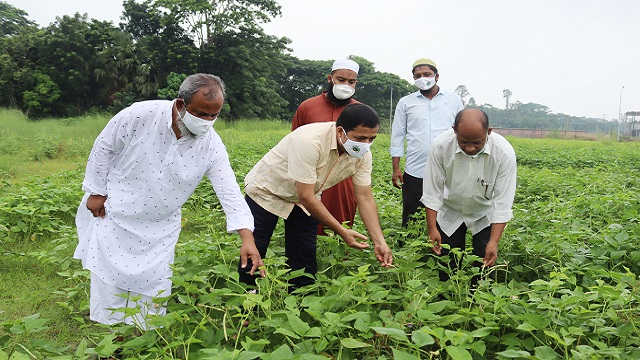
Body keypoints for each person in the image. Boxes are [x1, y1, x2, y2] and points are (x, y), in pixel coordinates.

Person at [74, 73, 265, 328]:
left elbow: (229, 191)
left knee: (154, 285)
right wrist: (96, 191)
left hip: (160, 225)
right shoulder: (140, 115)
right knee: (110, 282)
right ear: (180, 104)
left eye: (214, 115)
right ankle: (111, 341)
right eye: (201, 114)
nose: (208, 122)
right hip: (114, 213)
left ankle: (144, 341)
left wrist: (247, 237)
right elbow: (104, 147)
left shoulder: (211, 145)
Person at [239, 103, 393, 289]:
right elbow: (306, 196)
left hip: (305, 197)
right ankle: (246, 300)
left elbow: (365, 198)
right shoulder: (309, 141)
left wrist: (380, 242)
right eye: (360, 138)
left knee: (304, 253)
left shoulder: (362, 155)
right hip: (268, 190)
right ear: (340, 132)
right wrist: (342, 231)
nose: (365, 145)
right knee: (255, 247)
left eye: (371, 139)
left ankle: (301, 299)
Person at [421, 108, 517, 283]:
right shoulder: (441, 146)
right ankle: (447, 302)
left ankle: (478, 302)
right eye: (463, 142)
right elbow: (432, 190)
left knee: (484, 265)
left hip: (484, 213)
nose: (470, 148)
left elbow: (502, 202)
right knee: (447, 263)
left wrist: (494, 241)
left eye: (477, 142)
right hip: (451, 209)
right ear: (454, 130)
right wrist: (432, 228)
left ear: (489, 132)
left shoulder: (503, 153)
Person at [390, 57, 464, 229]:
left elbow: (462, 132)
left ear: (436, 76)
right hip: (415, 169)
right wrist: (396, 168)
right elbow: (398, 135)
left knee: (446, 212)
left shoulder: (453, 100)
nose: (422, 78)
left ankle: (441, 248)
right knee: (412, 212)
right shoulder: (406, 102)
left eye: (427, 74)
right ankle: (409, 247)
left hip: (448, 167)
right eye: (417, 76)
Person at [291, 58, 360, 235]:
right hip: (309, 177)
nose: (346, 85)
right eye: (341, 80)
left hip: (342, 180)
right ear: (330, 79)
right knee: (305, 228)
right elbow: (294, 141)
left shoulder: (360, 112)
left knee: (340, 229)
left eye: (351, 82)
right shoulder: (308, 107)